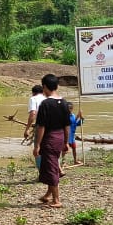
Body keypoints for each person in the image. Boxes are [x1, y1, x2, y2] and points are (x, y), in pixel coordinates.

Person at [32, 74, 70, 208]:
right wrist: (66, 142)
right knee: (51, 165)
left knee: (52, 167)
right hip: (59, 137)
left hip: (49, 138)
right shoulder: (64, 103)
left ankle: (56, 200)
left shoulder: (45, 104)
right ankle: (48, 195)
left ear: (44, 87)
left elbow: (41, 127)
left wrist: (37, 145)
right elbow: (67, 125)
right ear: (57, 86)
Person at [62, 101, 83, 166]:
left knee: (74, 148)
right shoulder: (64, 116)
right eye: (68, 108)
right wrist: (77, 116)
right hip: (66, 135)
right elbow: (70, 123)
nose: (70, 110)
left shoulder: (72, 115)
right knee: (65, 150)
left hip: (72, 135)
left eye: (71, 108)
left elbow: (75, 123)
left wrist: (80, 116)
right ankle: (63, 162)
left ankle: (75, 160)